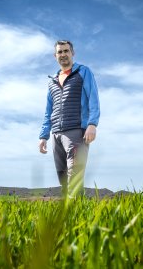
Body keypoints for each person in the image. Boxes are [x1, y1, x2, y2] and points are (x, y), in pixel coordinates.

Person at [38, 40, 100, 197]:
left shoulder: (83, 72)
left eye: (66, 51)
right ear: (55, 56)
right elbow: (48, 110)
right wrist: (43, 135)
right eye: (60, 52)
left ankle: (79, 215)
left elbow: (93, 98)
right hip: (56, 134)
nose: (63, 54)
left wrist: (92, 124)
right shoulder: (52, 81)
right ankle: (68, 216)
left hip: (77, 130)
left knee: (75, 175)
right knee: (63, 177)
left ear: (72, 53)